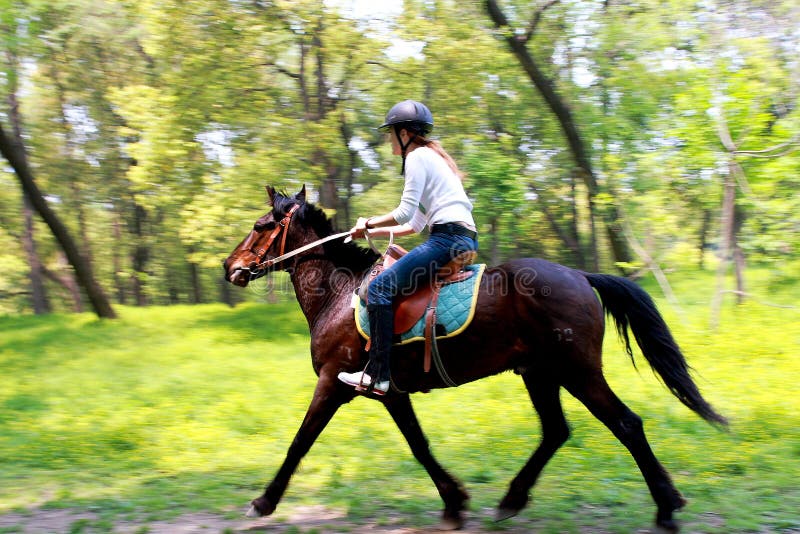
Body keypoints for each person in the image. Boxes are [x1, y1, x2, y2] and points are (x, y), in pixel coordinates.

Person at [337, 100, 478, 395]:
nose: (389, 139)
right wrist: (369, 231)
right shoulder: (432, 158)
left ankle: (377, 375)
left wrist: (368, 221)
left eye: (391, 133)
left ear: (404, 133)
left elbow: (403, 212)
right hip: (463, 238)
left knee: (378, 288)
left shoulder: (416, 156)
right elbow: (414, 224)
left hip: (447, 239)